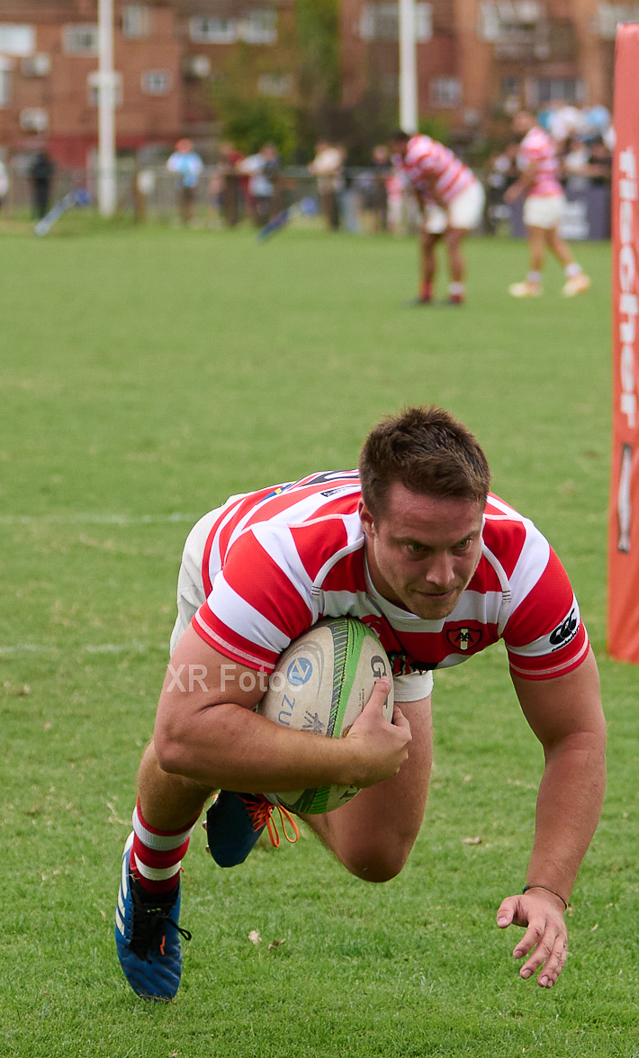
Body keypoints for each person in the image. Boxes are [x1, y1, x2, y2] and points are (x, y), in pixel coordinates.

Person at [114, 406, 606, 1002]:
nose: (444, 575)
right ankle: (151, 876)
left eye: (462, 544)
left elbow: (576, 734)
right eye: (416, 547)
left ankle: (260, 778)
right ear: (368, 522)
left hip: (392, 640)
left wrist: (549, 890)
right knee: (205, 750)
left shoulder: (523, 569)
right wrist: (348, 761)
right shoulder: (281, 562)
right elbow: (180, 734)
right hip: (246, 573)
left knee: (377, 855)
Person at [390, 130, 484, 305]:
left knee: (452, 240)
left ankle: (457, 294)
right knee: (426, 241)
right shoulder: (400, 159)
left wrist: (448, 214)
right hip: (440, 199)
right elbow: (416, 188)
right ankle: (426, 294)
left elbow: (432, 184)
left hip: (462, 193)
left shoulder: (422, 152)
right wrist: (424, 215)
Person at [505, 110, 589, 298]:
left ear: (532, 120)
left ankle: (533, 283)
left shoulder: (532, 142)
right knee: (553, 240)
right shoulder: (542, 138)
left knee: (537, 241)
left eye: (522, 119)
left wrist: (517, 189)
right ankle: (577, 276)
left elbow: (532, 171)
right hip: (553, 194)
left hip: (541, 196)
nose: (518, 124)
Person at [165, 138, 202, 225]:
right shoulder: (175, 157)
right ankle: (182, 218)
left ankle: (192, 218)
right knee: (181, 201)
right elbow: (170, 168)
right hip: (179, 183)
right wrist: (178, 172)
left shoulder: (194, 157)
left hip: (192, 182)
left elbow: (198, 168)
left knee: (191, 201)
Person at [28, 146, 54, 220]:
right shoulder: (37, 165)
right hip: (39, 187)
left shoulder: (46, 165)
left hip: (44, 186)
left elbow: (50, 173)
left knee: (43, 202)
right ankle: (38, 215)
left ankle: (43, 215)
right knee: (38, 202)